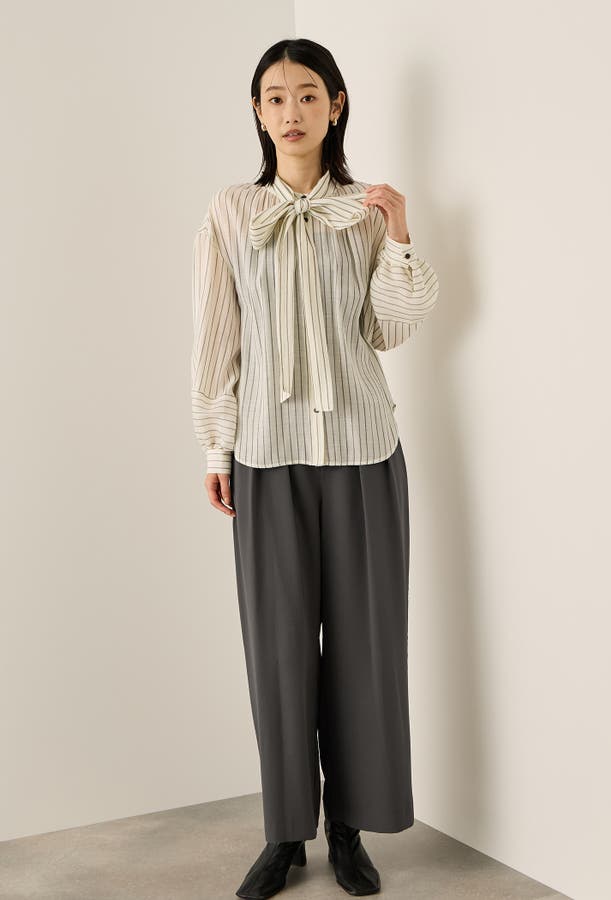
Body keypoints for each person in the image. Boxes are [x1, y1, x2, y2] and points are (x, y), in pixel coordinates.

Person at [190, 37, 440, 899]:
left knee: (367, 648)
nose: (289, 111)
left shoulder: (365, 211)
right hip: (265, 455)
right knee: (279, 650)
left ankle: (350, 829)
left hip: (363, 452)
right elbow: (216, 337)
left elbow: (387, 331)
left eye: (306, 95)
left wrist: (398, 236)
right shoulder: (232, 211)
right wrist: (216, 446)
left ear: (335, 106)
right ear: (257, 112)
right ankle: (284, 833)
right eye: (274, 97)